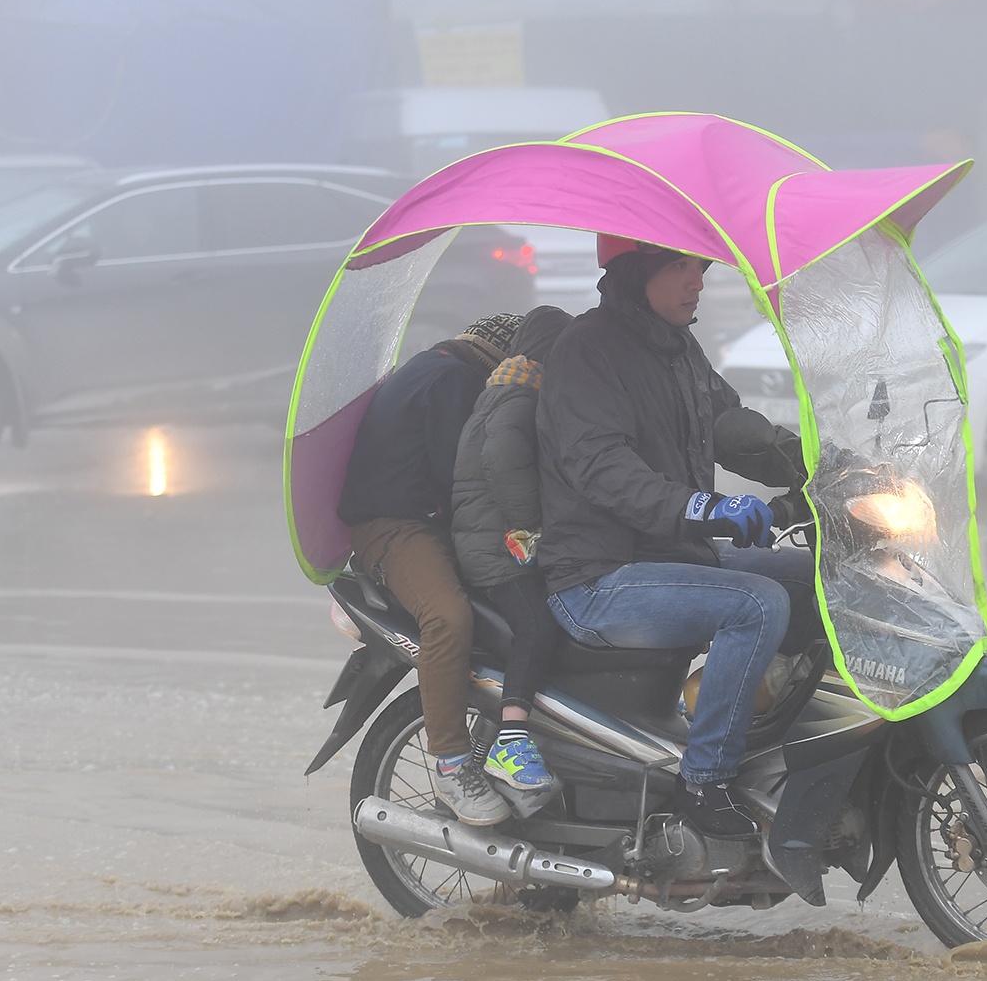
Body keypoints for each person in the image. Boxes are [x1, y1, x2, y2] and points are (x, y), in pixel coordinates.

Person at [537, 237, 816, 838]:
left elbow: (736, 430)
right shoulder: (588, 351)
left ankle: (772, 742)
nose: (697, 281)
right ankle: (704, 781)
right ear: (636, 273)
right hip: (599, 577)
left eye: (702, 267)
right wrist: (703, 507)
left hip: (668, 555)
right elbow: (603, 468)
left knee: (811, 578)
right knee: (757, 603)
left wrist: (825, 469)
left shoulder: (679, 349)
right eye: (679, 267)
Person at [338, 313, 523, 827]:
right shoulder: (454, 382)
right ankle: (450, 761)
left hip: (431, 521)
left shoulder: (439, 366)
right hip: (396, 529)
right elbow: (461, 474)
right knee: (448, 617)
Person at [450, 305, 574, 794]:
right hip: (495, 552)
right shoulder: (520, 395)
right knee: (538, 623)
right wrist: (531, 525)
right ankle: (512, 735)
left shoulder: (505, 389)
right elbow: (503, 458)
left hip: (494, 541)